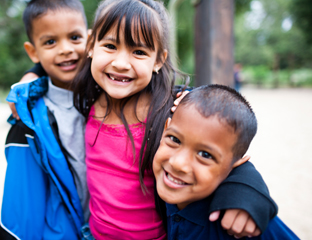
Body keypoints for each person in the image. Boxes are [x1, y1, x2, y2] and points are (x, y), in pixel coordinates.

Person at [69, 0, 277, 239]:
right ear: (91, 46)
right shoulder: (85, 98)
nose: (120, 63)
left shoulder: (173, 108)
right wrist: (34, 72)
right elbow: (54, 57)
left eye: (138, 52)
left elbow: (226, 150)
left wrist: (245, 193)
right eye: (110, 46)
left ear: (158, 60)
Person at [153, 84, 299, 240]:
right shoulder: (152, 180)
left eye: (205, 154)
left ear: (237, 164)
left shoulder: (245, 221)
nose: (178, 163)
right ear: (165, 130)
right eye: (174, 139)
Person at [0, 0, 90, 239]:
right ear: (32, 51)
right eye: (50, 41)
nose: (65, 49)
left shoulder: (112, 92)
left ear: (90, 39)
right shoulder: (28, 120)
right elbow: (19, 204)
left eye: (75, 37)